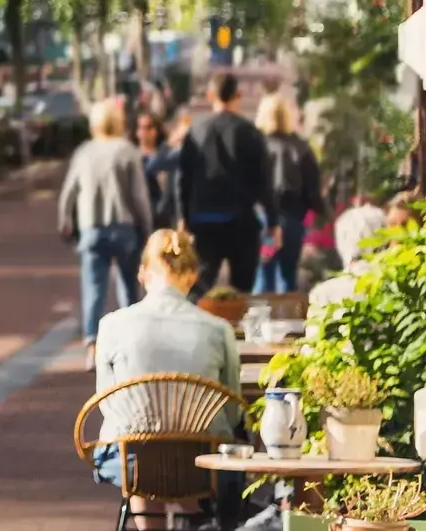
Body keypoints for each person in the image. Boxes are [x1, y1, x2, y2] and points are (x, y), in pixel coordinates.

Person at [90, 226, 244, 531]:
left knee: (136, 446)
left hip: (135, 461)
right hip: (202, 463)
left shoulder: (112, 325)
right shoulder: (218, 329)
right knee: (192, 452)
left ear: (143, 274)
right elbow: (233, 404)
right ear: (192, 276)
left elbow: (106, 401)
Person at [57, 97, 154, 343]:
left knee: (93, 287)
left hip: (92, 228)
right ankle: (131, 341)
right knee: (129, 287)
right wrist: (148, 227)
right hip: (125, 228)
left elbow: (69, 192)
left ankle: (91, 341)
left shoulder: (84, 152)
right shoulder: (127, 151)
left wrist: (65, 219)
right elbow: (139, 196)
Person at [175, 72, 270, 296]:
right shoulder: (249, 132)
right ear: (238, 94)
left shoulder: (196, 131)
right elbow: (263, 179)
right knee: (243, 291)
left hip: (203, 221)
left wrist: (183, 216)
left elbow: (183, 178)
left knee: (198, 288)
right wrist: (272, 219)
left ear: (210, 95)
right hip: (242, 222)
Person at [256, 94, 322, 295]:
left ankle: (260, 322)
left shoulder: (256, 147)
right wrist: (318, 213)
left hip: (263, 220)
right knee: (288, 277)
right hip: (293, 219)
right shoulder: (301, 147)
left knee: (263, 275)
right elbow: (313, 187)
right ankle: (287, 323)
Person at [135, 109, 182, 231]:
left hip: (168, 221)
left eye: (148, 127)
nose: (143, 132)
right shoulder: (134, 158)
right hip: (145, 221)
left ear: (156, 130)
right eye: (140, 127)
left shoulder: (168, 156)